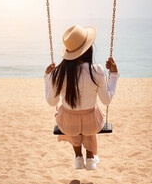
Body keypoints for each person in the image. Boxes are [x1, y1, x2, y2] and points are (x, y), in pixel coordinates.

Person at [44, 25, 119, 170]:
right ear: (87, 49)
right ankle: (90, 159)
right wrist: (114, 74)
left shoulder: (57, 73)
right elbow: (106, 100)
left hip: (67, 124)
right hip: (92, 123)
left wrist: (47, 77)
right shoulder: (96, 70)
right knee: (89, 122)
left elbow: (51, 101)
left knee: (72, 121)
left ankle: (78, 158)